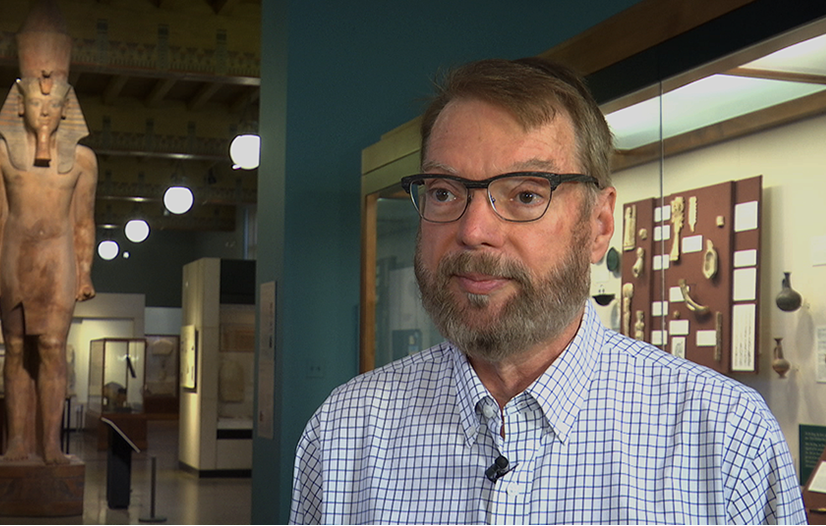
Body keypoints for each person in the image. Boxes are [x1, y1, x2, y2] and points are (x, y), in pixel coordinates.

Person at [289, 58, 806, 524]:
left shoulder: (726, 439)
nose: (473, 230)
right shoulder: (344, 435)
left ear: (599, 225)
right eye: (444, 192)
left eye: (526, 195)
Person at [0, 1, 97, 465]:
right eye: (35, 101)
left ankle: (50, 444)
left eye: (53, 103)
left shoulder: (82, 160)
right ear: (19, 102)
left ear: (67, 106)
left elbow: (83, 222)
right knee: (13, 349)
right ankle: (17, 444)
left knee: (52, 348)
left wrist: (84, 272)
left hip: (58, 261)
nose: (44, 110)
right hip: (15, 258)